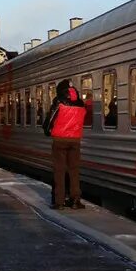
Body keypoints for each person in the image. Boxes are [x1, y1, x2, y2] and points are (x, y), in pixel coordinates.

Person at [42, 79, 86, 209]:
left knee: (59, 171)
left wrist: (47, 131)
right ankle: (75, 201)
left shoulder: (59, 101)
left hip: (60, 141)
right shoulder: (80, 103)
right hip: (75, 141)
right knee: (74, 171)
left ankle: (59, 202)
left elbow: (50, 119)